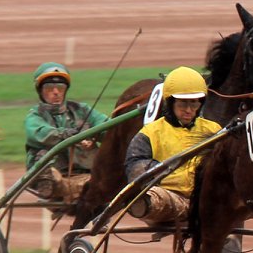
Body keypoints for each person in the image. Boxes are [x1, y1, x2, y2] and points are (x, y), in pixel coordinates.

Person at [122, 66, 221, 225]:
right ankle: (146, 204)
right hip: (168, 197)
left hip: (206, 198)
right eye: (183, 104)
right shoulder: (151, 132)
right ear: (170, 103)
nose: (189, 110)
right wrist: (160, 171)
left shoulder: (214, 130)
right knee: (146, 199)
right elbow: (134, 166)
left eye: (194, 104)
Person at [23, 62, 108, 202]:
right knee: (46, 161)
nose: (56, 92)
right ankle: (52, 185)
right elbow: (41, 134)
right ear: (41, 91)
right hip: (53, 172)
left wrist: (94, 136)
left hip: (86, 170)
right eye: (49, 88)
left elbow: (107, 126)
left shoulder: (82, 109)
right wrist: (71, 135)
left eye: (60, 88)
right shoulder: (35, 115)